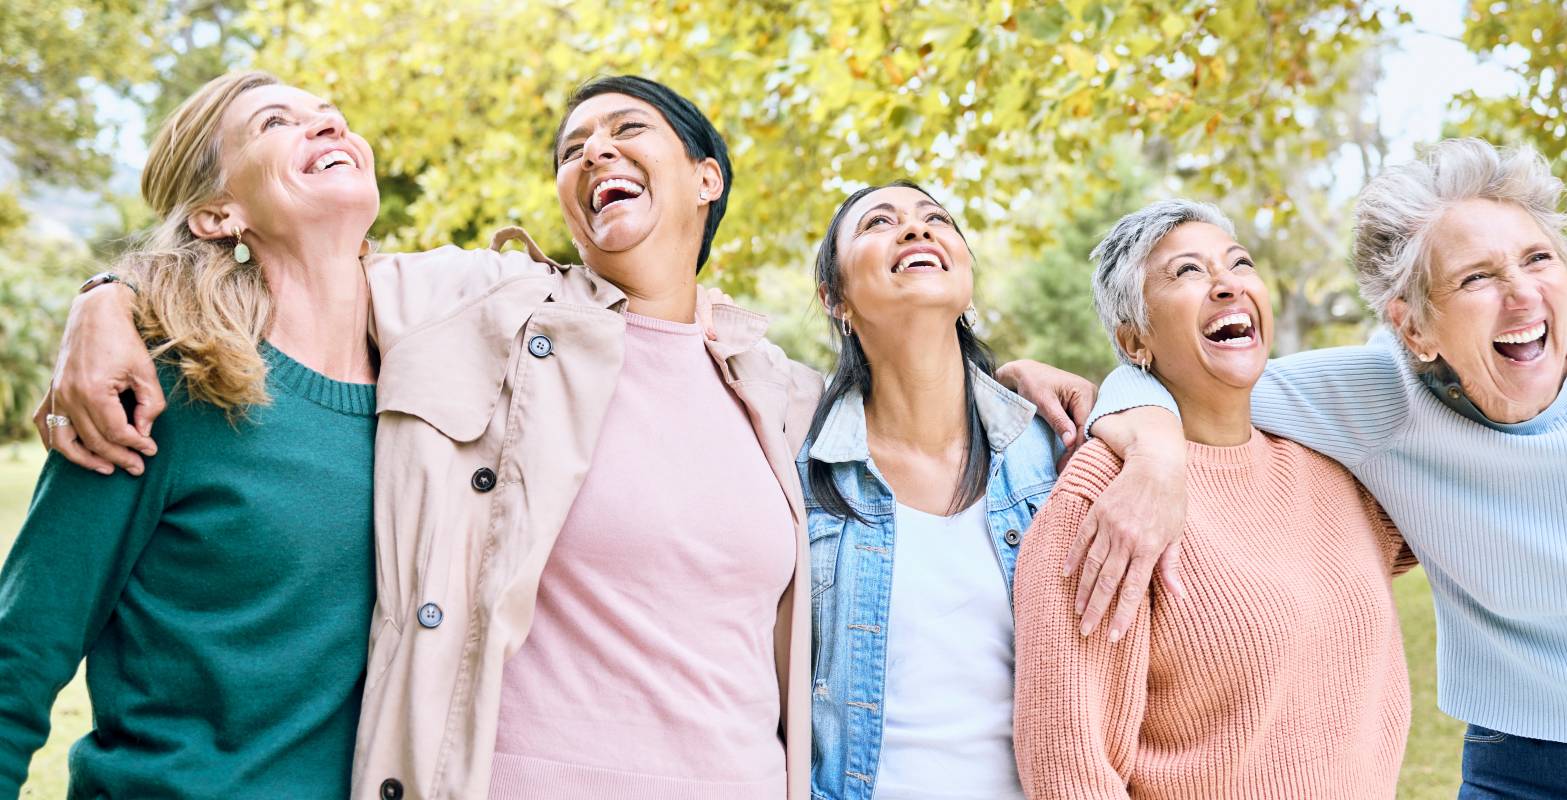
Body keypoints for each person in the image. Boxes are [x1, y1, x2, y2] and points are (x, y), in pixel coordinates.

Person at [32, 75, 1119, 800]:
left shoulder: (779, 393)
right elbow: (281, 266)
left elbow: (914, 399)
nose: (595, 149)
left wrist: (1068, 397)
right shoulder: (496, 312)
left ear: (707, 176)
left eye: (627, 129)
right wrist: (111, 295)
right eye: (572, 147)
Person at [1086, 139, 1567, 797]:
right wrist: (1150, 445)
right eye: (1478, 277)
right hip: (1529, 766)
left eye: (1538, 260)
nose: (1522, 294)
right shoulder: (1380, 398)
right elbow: (1184, 377)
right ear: (1413, 327)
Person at [0, 71, 380, 797]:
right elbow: (19, 655)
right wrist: (108, 297)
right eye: (275, 123)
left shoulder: (430, 381)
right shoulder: (152, 389)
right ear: (218, 215)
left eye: (331, 114)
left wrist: (104, 294)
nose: (326, 125)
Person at [1012, 199, 1415, 798]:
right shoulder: (1106, 495)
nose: (1227, 285)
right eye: (1187, 272)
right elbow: (1069, 764)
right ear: (1135, 340)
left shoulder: (1333, 466)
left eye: (1239, 263)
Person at [800, 181, 1185, 800]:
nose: (916, 228)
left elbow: (1186, 394)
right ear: (835, 298)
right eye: (878, 222)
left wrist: (1157, 451)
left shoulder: (1056, 449)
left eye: (935, 218)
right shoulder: (804, 467)